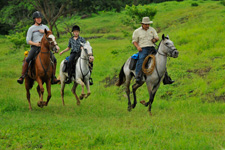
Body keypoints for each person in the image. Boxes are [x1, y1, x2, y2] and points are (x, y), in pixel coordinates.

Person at [17, 11, 59, 84]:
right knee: (28, 58)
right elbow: (28, 40)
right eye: (37, 18)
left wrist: (44, 32)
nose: (39, 19)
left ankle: (53, 77)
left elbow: (50, 36)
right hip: (35, 47)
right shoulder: (31, 28)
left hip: (45, 48)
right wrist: (36, 44)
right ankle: (22, 76)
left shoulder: (45, 27)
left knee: (54, 59)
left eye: (40, 18)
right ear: (34, 19)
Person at [132, 17, 174, 84]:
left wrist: (155, 39)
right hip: (143, 48)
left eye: (148, 24)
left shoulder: (152, 29)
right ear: (142, 24)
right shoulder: (137, 31)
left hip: (152, 47)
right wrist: (138, 47)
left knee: (161, 59)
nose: (147, 25)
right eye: (146, 24)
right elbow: (134, 41)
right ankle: (138, 76)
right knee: (141, 59)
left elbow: (157, 37)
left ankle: (166, 78)